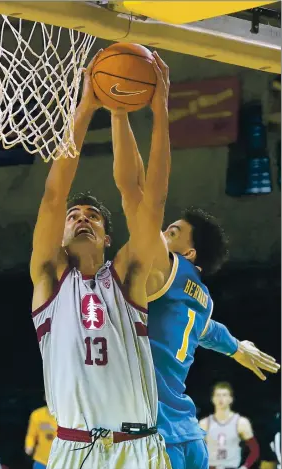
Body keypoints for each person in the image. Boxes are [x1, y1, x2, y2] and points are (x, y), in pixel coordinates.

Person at [111, 96, 280, 469]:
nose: (160, 235)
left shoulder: (165, 266)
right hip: (189, 436)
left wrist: (119, 112)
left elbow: (134, 189)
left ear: (188, 254)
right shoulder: (202, 299)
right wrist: (237, 347)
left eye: (171, 232)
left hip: (155, 436)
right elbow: (209, 331)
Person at [30, 50, 172, 469]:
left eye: (91, 216)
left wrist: (149, 113)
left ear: (108, 238)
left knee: (143, 202)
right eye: (74, 217)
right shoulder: (47, 277)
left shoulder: (129, 274)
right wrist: (88, 105)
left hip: (138, 448)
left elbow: (146, 197)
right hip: (73, 450)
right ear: (60, 234)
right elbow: (55, 194)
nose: (81, 219)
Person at [199, 381, 260, 469]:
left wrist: (245, 467)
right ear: (212, 399)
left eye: (224, 395)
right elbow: (196, 451)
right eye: (218, 395)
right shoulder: (204, 423)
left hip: (231, 466)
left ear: (230, 399)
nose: (221, 399)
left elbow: (255, 450)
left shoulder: (241, 422)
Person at [25, 397, 57, 469]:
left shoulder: (68, 416)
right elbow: (31, 435)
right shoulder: (37, 414)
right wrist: (29, 445)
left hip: (60, 460)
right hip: (41, 460)